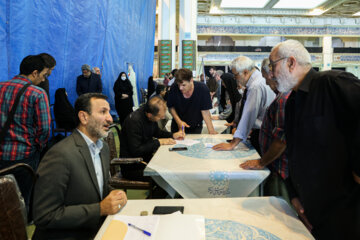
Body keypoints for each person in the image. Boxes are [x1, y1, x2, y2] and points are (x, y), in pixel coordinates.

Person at [270, 39, 360, 239]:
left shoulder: (332, 83)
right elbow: (293, 151)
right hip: (312, 209)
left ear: (291, 63)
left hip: (345, 209)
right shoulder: (292, 101)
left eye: (272, 65)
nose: (270, 74)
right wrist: (294, 195)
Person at [32, 93, 127, 239]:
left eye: (109, 112)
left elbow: (97, 186)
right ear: (83, 117)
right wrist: (99, 209)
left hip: (95, 230)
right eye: (103, 112)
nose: (110, 118)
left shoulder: (103, 148)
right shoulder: (60, 155)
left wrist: (114, 194)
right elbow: (45, 215)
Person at [0, 55, 50, 211]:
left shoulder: (1, 87)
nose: (43, 80)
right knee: (21, 202)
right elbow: (45, 128)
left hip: (1, 155)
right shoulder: (38, 93)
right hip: (24, 158)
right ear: (35, 73)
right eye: (43, 75)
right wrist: (38, 146)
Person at [240, 58, 291, 203]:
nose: (266, 82)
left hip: (280, 168)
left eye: (265, 77)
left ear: (272, 74)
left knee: (280, 206)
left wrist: (261, 162)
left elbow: (281, 141)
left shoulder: (283, 98)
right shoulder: (281, 96)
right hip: (275, 165)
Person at [212, 56, 275, 154]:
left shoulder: (255, 86)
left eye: (236, 75)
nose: (235, 79)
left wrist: (233, 144)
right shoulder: (257, 81)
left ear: (245, 72)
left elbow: (248, 116)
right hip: (261, 132)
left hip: (261, 134)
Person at [120, 96, 184, 181]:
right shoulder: (134, 122)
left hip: (146, 159)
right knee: (167, 175)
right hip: (133, 166)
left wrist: (173, 135)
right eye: (160, 117)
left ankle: (166, 192)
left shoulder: (149, 115)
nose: (163, 118)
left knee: (173, 165)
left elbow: (156, 132)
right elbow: (136, 150)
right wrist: (158, 142)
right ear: (150, 115)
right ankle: (161, 193)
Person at [167, 68, 217, 134]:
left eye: (183, 85)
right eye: (179, 85)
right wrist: (179, 121)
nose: (180, 88)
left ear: (191, 80)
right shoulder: (174, 87)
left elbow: (205, 112)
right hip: (178, 126)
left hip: (195, 126)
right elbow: (171, 107)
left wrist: (211, 130)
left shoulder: (202, 89)